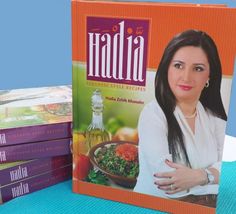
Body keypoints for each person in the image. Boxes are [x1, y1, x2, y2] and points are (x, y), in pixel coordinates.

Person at [133, 30, 227, 207]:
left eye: (198, 68)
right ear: (167, 68)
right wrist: (212, 175)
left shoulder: (213, 118)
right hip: (151, 207)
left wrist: (199, 176)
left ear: (209, 76)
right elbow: (167, 182)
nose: (186, 77)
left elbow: (230, 169)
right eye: (178, 65)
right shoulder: (153, 114)